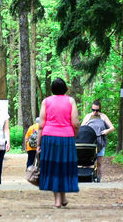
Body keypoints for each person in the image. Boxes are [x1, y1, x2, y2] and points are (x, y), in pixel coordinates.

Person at [37, 77, 80, 207]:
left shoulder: (46, 101)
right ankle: (62, 198)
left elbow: (41, 125)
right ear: (65, 89)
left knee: (54, 168)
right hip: (66, 137)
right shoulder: (70, 101)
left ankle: (59, 199)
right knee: (64, 167)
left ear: (52, 89)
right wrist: (74, 135)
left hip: (49, 138)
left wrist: (39, 143)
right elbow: (76, 123)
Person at [83, 101, 115, 182]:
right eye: (93, 110)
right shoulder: (88, 116)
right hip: (90, 142)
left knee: (99, 163)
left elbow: (112, 127)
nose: (95, 112)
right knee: (88, 162)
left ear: (99, 109)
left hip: (100, 141)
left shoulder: (103, 116)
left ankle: (98, 180)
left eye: (97, 110)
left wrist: (106, 131)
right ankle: (86, 178)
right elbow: (82, 128)